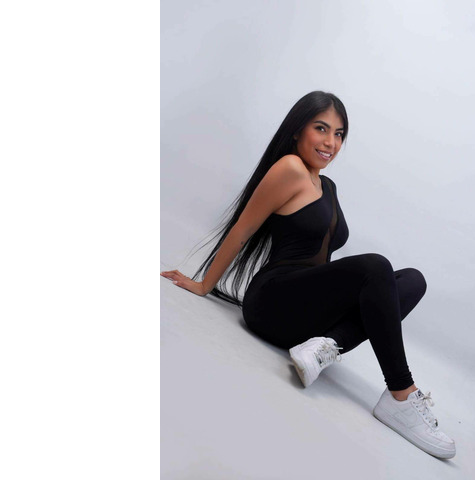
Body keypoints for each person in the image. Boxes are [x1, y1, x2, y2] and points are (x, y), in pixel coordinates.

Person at [160, 91, 456, 459]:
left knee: (413, 280)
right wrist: (204, 285)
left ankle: (324, 346)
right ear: (298, 130)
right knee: (376, 266)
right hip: (273, 302)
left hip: (307, 316)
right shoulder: (289, 168)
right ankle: (401, 394)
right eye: (321, 129)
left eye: (339, 134)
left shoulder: (328, 187)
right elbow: (243, 229)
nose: (331, 142)